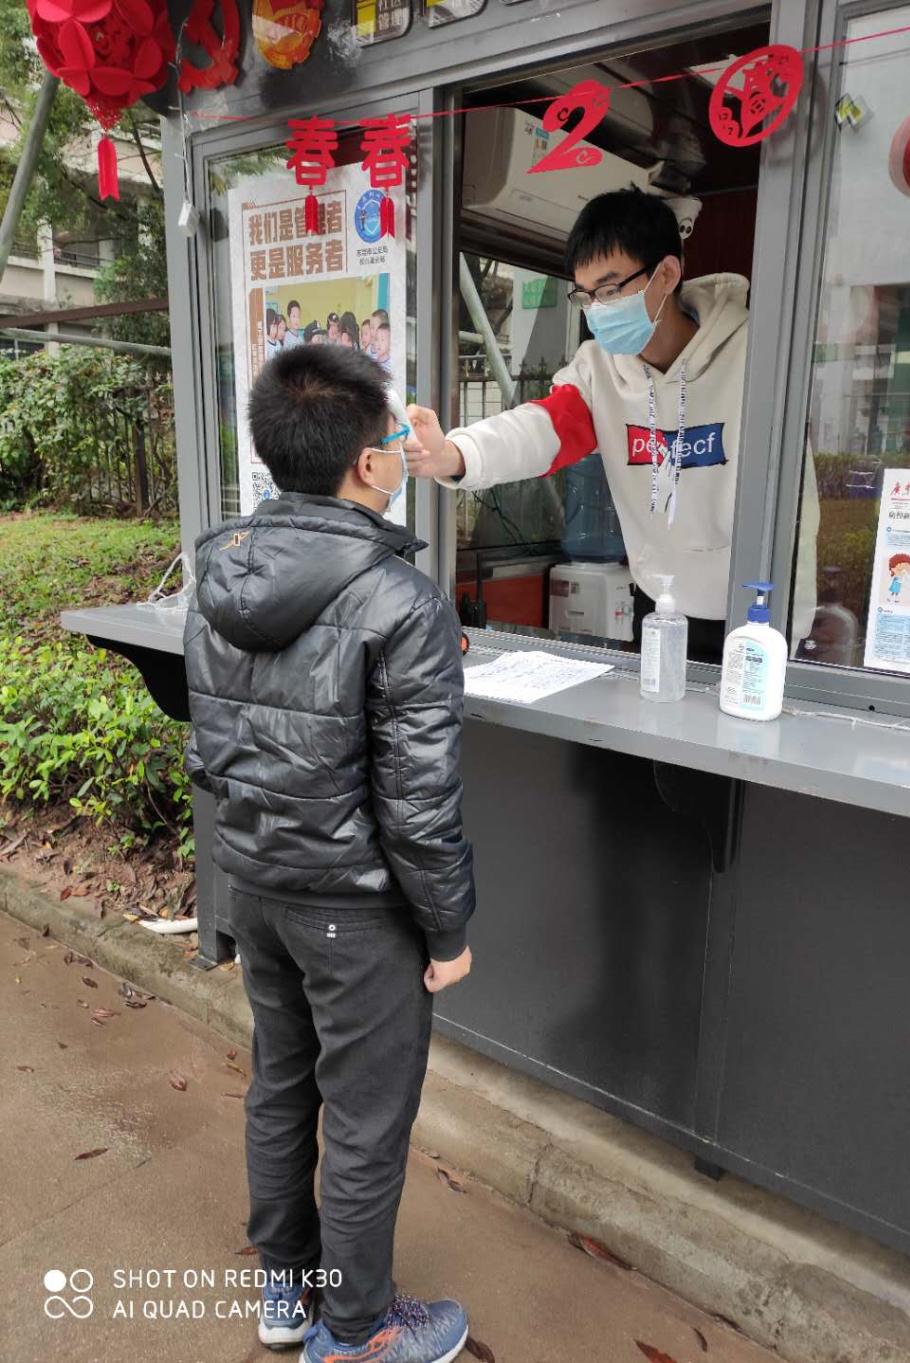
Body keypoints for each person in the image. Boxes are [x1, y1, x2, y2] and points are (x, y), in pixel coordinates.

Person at [182, 344, 474, 1363]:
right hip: (356, 907)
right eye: (393, 438)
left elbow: (210, 746)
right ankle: (358, 1333)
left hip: (256, 880)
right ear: (365, 462)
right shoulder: (403, 602)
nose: (400, 453)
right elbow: (419, 806)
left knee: (281, 1082)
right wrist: (448, 930)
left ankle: (287, 1288)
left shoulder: (220, 574)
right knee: (363, 1119)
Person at [406, 187, 817, 661]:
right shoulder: (599, 370)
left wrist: (794, 623)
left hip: (754, 615)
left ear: (666, 274)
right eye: (585, 295)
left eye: (610, 289)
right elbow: (542, 429)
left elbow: (793, 504)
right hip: (660, 605)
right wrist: (456, 453)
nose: (597, 310)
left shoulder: (754, 357)